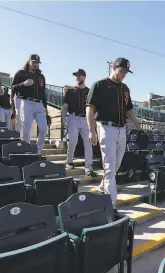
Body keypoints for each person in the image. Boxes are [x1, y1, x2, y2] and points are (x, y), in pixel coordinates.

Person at [86, 58, 141, 214]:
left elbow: (129, 110)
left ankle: (102, 188)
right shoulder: (99, 85)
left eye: (125, 72)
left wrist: (139, 127)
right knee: (110, 167)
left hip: (121, 128)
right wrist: (91, 130)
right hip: (105, 127)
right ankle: (111, 204)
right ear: (113, 67)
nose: (123, 74)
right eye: (121, 70)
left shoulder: (125, 88)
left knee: (116, 165)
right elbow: (89, 108)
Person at [62, 69, 97, 177]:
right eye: (76, 76)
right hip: (73, 117)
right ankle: (69, 161)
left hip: (86, 119)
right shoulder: (70, 91)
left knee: (88, 144)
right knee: (72, 141)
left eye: (79, 75)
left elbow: (95, 108)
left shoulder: (89, 91)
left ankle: (88, 167)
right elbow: (65, 107)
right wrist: (63, 119)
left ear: (84, 77)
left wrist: (94, 121)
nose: (77, 77)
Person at [11, 54, 48, 153]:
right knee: (26, 130)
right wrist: (24, 84)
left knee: (44, 128)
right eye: (34, 62)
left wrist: (45, 106)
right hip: (26, 102)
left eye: (37, 63)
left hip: (39, 104)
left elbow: (43, 93)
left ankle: (38, 150)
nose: (36, 64)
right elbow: (13, 87)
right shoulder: (21, 73)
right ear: (29, 62)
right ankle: (27, 151)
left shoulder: (41, 76)